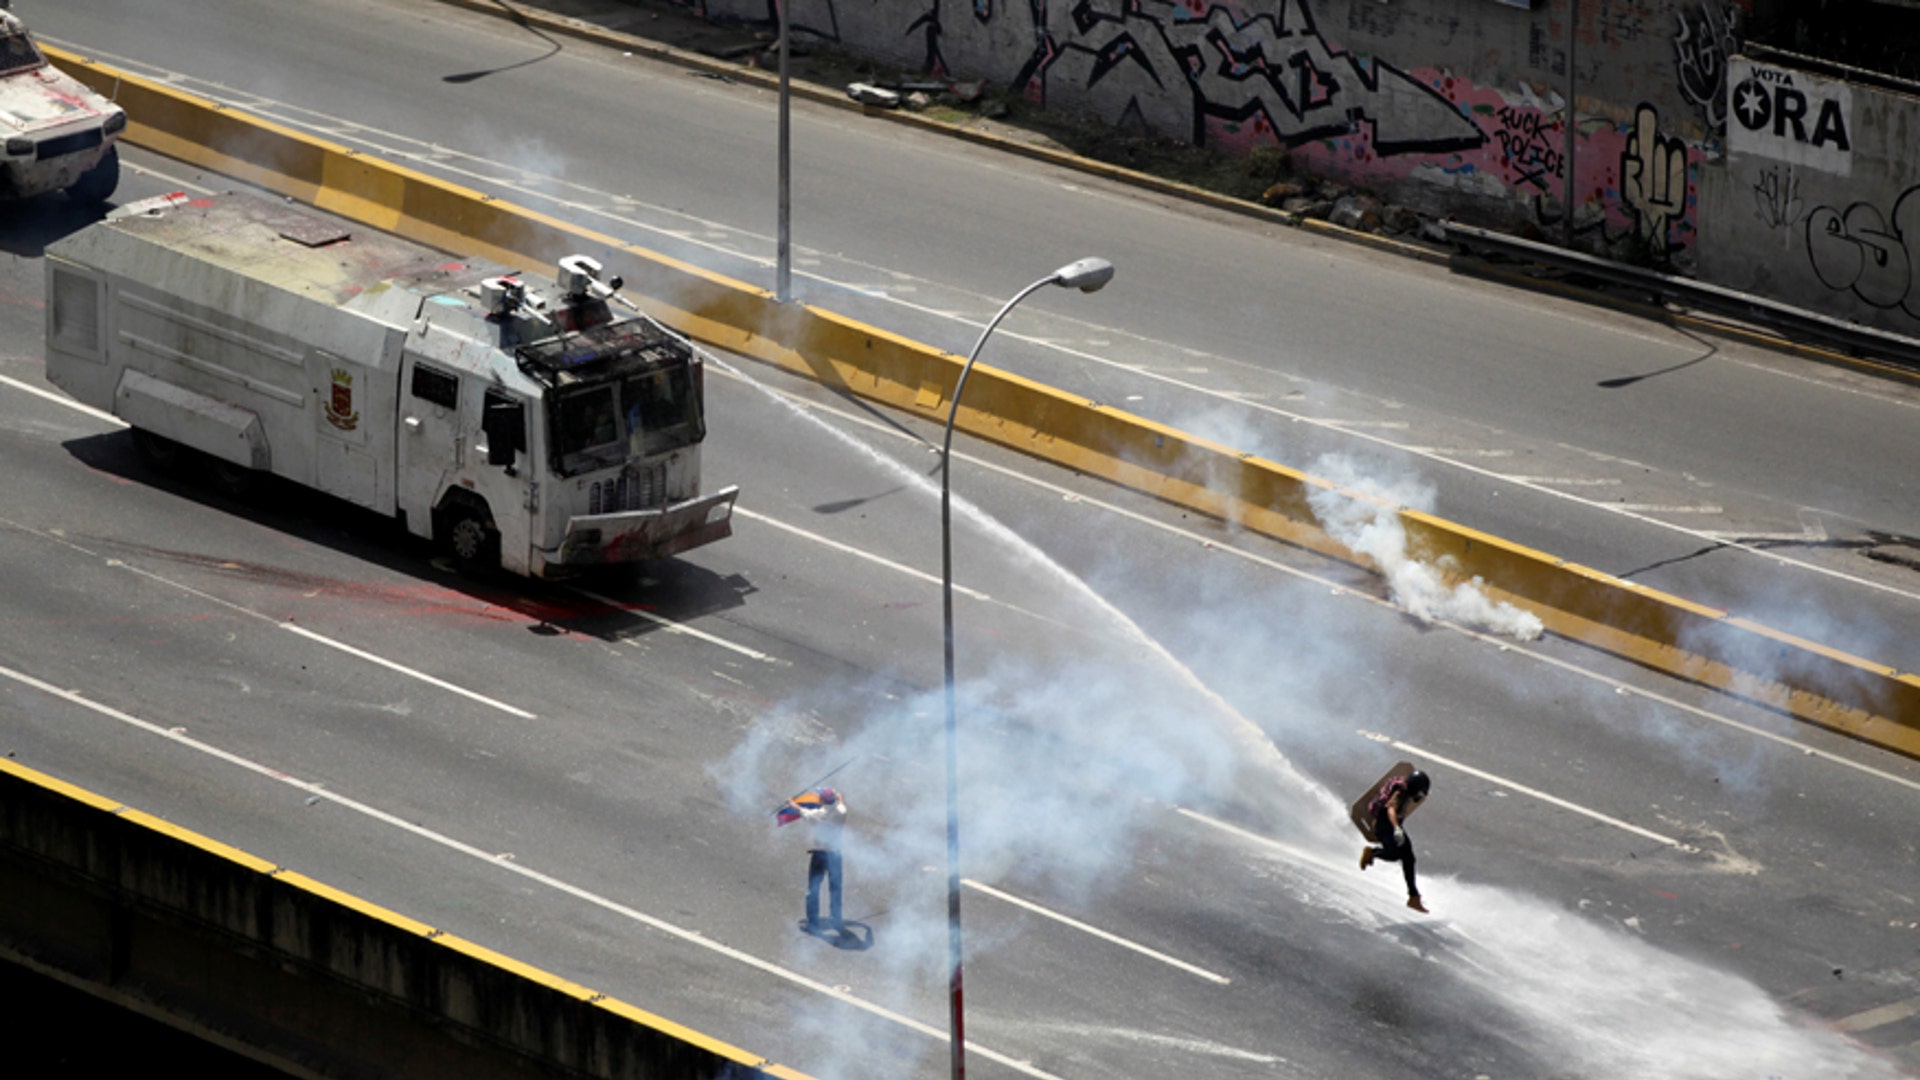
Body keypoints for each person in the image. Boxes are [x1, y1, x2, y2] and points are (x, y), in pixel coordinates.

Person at [1360, 769, 1430, 913]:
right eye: (1420, 792)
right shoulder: (1401, 791)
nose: (1419, 796)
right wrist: (1397, 828)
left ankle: (1414, 897)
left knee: (1408, 857)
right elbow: (1390, 809)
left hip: (1391, 825)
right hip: (1385, 825)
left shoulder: (1406, 791)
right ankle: (1372, 853)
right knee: (1394, 854)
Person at [793, 787, 847, 933]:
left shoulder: (818, 814)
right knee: (835, 889)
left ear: (822, 800)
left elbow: (802, 812)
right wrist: (838, 796)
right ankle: (836, 919)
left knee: (813, 889)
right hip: (835, 854)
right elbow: (841, 803)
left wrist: (792, 803)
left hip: (820, 855)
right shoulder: (841, 812)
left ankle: (813, 923)